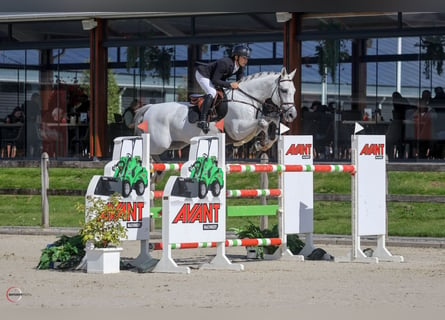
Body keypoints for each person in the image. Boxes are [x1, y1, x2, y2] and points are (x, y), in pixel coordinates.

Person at [194, 44, 251, 133]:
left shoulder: (240, 67)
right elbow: (215, 80)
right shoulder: (225, 63)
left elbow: (240, 82)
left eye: (247, 58)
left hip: (214, 78)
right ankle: (202, 120)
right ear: (236, 57)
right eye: (244, 58)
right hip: (203, 74)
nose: (246, 61)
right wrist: (230, 84)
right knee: (212, 92)